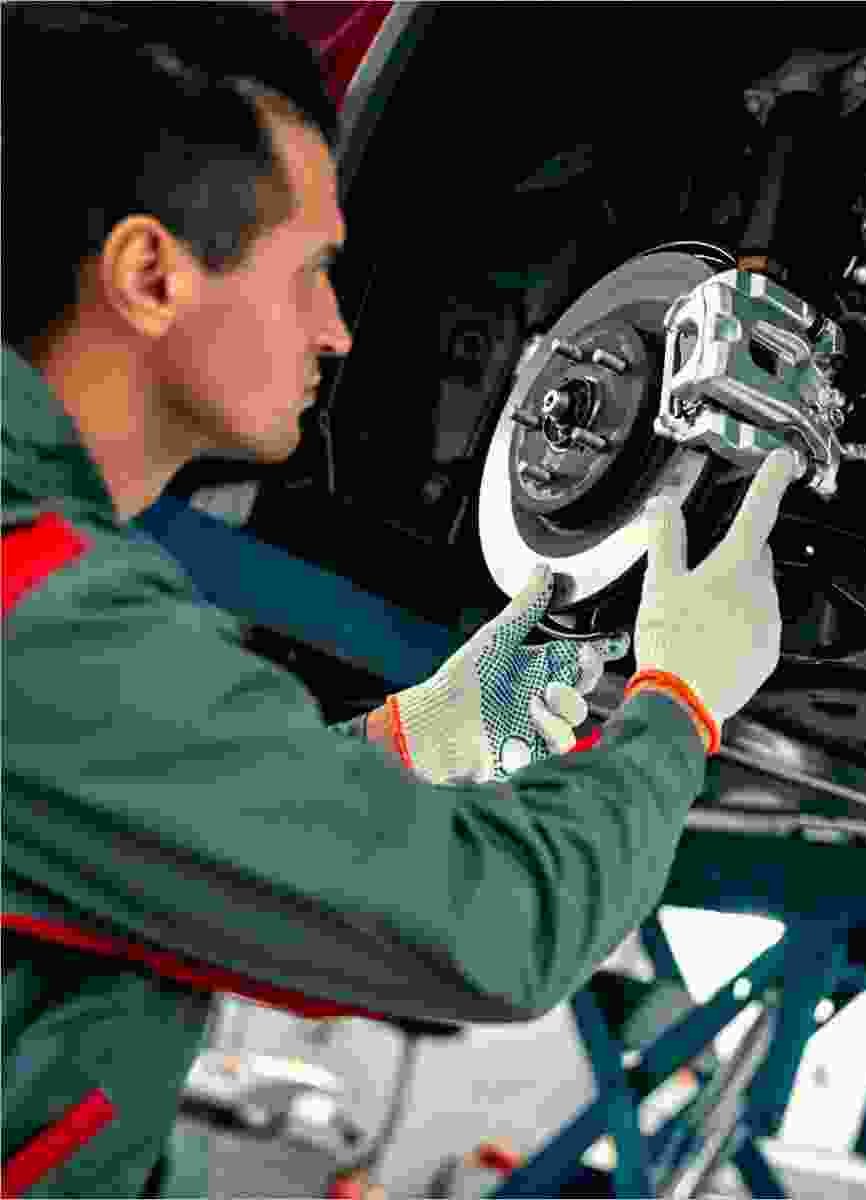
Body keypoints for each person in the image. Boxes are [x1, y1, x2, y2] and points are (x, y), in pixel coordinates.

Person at [1, 6, 802, 1196]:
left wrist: (414, 735)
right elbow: (500, 929)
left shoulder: (44, 612)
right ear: (151, 275)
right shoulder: (37, 616)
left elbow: (160, 822)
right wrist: (678, 703)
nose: (338, 330)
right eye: (312, 273)